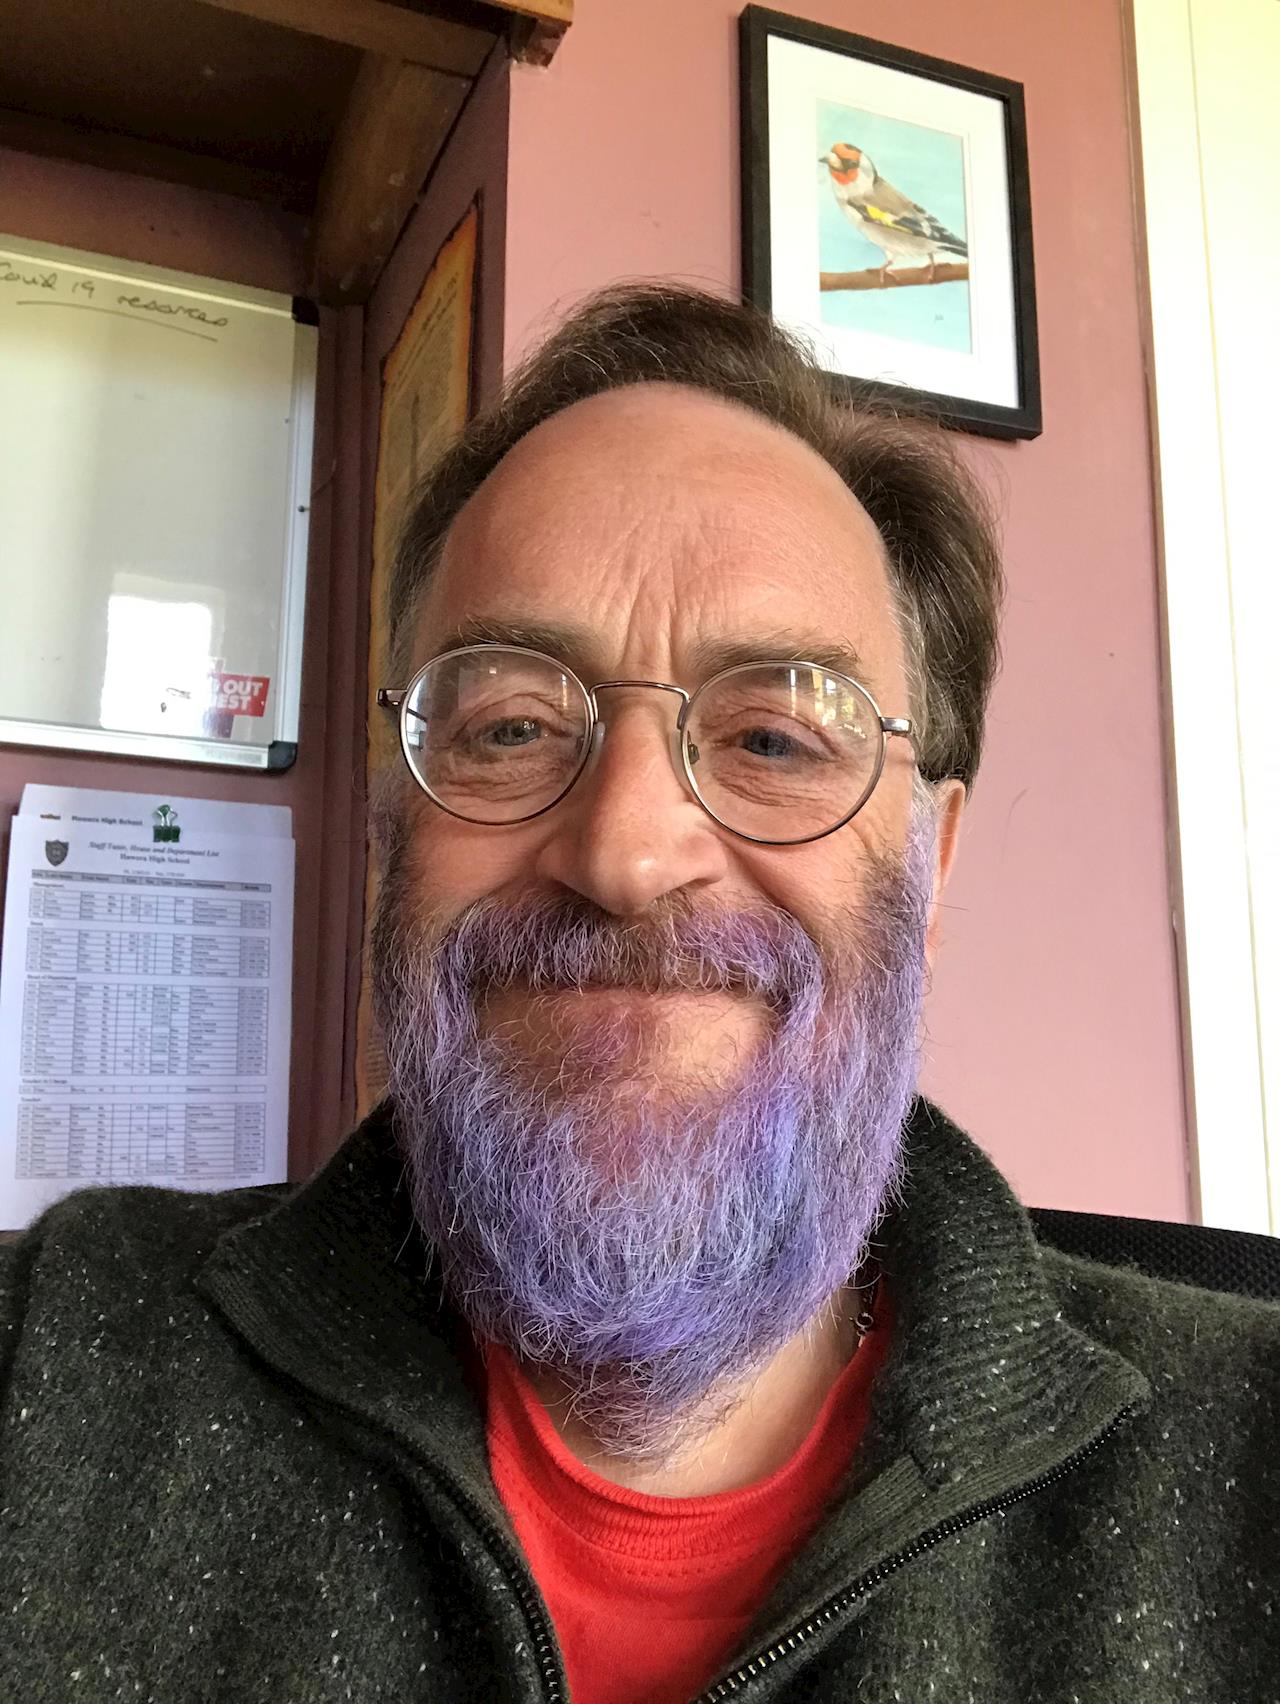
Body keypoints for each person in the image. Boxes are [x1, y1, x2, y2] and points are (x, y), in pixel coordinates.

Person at [2, 286, 1276, 1704]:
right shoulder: (48, 1361)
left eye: (775, 738)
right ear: (393, 829)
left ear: (933, 863)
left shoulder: (1250, 1464)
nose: (624, 851)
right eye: (511, 726)